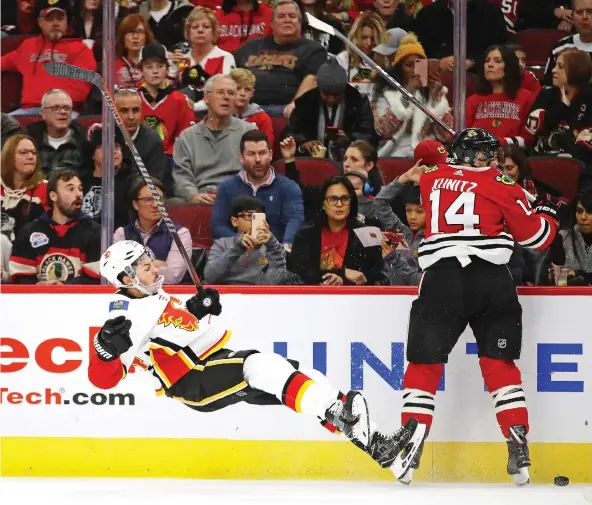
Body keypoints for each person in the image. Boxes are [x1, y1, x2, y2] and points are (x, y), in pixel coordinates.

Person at [90, 239, 422, 474]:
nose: (154, 268)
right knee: (258, 365)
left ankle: (384, 450)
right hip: (192, 380)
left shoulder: (150, 296)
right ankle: (343, 416)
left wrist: (197, 308)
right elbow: (102, 379)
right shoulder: (125, 313)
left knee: (303, 376)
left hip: (210, 364)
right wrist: (104, 351)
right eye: (145, 267)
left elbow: (175, 327)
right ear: (125, 278)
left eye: (150, 262)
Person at [392, 128, 560, 486]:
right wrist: (547, 210)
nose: (492, 160)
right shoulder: (502, 184)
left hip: (441, 279)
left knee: (424, 365)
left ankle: (409, 447)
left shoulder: (431, 178)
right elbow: (537, 238)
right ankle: (517, 445)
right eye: (486, 154)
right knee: (499, 365)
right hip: (490, 279)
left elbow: (428, 152)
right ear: (473, 156)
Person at [1, 0, 96, 115]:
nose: (55, 23)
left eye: (60, 19)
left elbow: (81, 88)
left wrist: (53, 106)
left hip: (63, 111)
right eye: (50, 19)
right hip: (28, 110)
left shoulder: (80, 50)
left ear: (67, 22)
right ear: (40, 22)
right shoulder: (28, 46)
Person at [233, 0, 327, 117]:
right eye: (281, 16)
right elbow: (232, 73)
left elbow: (312, 80)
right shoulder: (251, 46)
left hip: (284, 109)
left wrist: (296, 104)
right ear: (271, 23)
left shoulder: (313, 49)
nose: (287, 20)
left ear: (300, 22)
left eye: (292, 16)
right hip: (247, 107)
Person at [287, 176, 387, 285]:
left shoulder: (367, 234)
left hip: (355, 299)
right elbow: (296, 275)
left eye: (344, 198)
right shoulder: (306, 234)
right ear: (323, 204)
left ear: (351, 201)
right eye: (333, 199)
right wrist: (342, 273)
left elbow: (380, 279)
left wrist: (344, 280)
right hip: (313, 299)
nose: (339, 204)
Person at [173, 75, 257, 204]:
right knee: (174, 203)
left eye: (231, 93)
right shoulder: (187, 137)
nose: (226, 97)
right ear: (206, 98)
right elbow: (181, 176)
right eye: (220, 92)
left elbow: (256, 171)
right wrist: (192, 195)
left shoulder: (249, 132)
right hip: (200, 198)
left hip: (237, 198)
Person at [211, 130, 304, 245]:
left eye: (262, 153)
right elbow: (217, 226)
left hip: (274, 253)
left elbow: (295, 221)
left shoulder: (288, 187)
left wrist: (283, 248)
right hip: (237, 253)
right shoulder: (227, 187)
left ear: (270, 155)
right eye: (251, 154)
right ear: (241, 158)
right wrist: (239, 241)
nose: (258, 159)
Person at [9, 168, 101, 284]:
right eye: (71, 189)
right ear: (53, 196)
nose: (78, 194)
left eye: (80, 189)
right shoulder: (30, 231)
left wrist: (64, 287)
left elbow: (95, 278)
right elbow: (19, 277)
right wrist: (38, 287)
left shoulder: (93, 231)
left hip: (79, 301)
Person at [373, 34, 453, 158]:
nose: (415, 70)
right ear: (399, 68)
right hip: (394, 154)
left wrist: (435, 100)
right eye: (409, 65)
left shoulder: (436, 91)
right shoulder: (386, 92)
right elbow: (383, 130)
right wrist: (408, 92)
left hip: (426, 153)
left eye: (419, 65)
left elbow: (446, 135)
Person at [289, 57, 376, 161]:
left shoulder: (358, 101)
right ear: (319, 89)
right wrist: (303, 144)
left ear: (344, 90)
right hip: (311, 161)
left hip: (349, 162)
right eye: (326, 94)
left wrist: (350, 140)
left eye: (336, 95)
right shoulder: (305, 102)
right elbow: (290, 133)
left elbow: (368, 135)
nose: (331, 99)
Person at [113, 178, 192, 285]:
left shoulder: (180, 234)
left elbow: (172, 276)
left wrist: (133, 265)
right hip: (132, 296)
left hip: (168, 296)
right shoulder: (122, 234)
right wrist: (156, 264)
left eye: (159, 199)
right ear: (135, 204)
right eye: (148, 199)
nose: (155, 205)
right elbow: (116, 273)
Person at [205, 195, 287, 284]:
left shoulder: (272, 246)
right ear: (234, 221)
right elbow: (210, 277)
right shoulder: (222, 243)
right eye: (249, 215)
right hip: (227, 294)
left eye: (258, 216)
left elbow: (276, 282)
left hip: (257, 295)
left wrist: (272, 245)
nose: (253, 221)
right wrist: (237, 248)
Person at [466, 45, 535, 148]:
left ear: (509, 66)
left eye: (497, 61)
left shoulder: (525, 97)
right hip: (479, 159)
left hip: (511, 158)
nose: (490, 65)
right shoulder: (473, 100)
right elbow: (464, 137)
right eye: (487, 61)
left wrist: (499, 142)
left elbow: (529, 139)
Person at [527, 49, 592, 157]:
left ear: (576, 69)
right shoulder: (546, 93)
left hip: (579, 161)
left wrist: (571, 155)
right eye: (555, 65)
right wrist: (561, 107)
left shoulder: (589, 98)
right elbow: (534, 126)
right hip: (542, 158)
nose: (553, 70)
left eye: (560, 66)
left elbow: (589, 134)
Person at [411, 0, 508, 72]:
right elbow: (416, 61)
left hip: (481, 80)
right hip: (435, 82)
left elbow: (504, 51)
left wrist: (473, 62)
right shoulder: (427, 14)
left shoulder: (491, 13)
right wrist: (439, 64)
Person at [138, 43, 196, 156]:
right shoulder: (132, 100)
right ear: (141, 70)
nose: (155, 71)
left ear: (167, 69)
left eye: (160, 66)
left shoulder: (181, 101)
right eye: (149, 67)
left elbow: (187, 139)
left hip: (171, 162)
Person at [172, 7, 236, 104]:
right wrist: (172, 66)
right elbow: (168, 90)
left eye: (206, 26)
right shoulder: (182, 58)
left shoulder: (225, 58)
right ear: (188, 32)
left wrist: (192, 107)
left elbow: (225, 97)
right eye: (195, 27)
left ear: (214, 32)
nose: (200, 30)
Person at [25, 89, 87, 175]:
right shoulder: (28, 138)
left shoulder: (85, 140)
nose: (63, 112)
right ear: (43, 114)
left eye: (67, 108)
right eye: (55, 108)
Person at [1, 135, 48, 244]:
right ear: (8, 156)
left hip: (28, 254)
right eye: (23, 152)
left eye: (34, 152)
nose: (31, 156)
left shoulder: (45, 189)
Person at [335, 12, 389, 99]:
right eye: (364, 37)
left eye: (373, 38)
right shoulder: (343, 59)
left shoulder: (385, 61)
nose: (369, 43)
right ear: (356, 36)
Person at [80, 124, 125, 224]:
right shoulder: (80, 182)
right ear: (92, 154)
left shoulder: (131, 182)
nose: (114, 151)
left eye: (117, 146)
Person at [542, 0, 592, 87]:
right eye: (579, 12)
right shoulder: (559, 48)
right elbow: (548, 89)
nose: (584, 17)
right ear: (572, 17)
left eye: (590, 11)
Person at [549, 187, 592, 285]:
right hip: (568, 298)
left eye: (589, 212)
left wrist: (578, 274)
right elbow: (551, 278)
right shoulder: (562, 238)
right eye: (579, 211)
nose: (583, 217)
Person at [229, 68, 274, 146]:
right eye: (238, 88)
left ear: (252, 93)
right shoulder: (221, 115)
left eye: (247, 89)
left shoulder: (262, 118)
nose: (242, 93)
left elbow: (267, 150)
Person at [115, 14, 155, 90]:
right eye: (130, 32)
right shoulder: (112, 67)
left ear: (146, 37)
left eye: (140, 32)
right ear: (123, 37)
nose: (135, 36)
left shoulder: (155, 65)